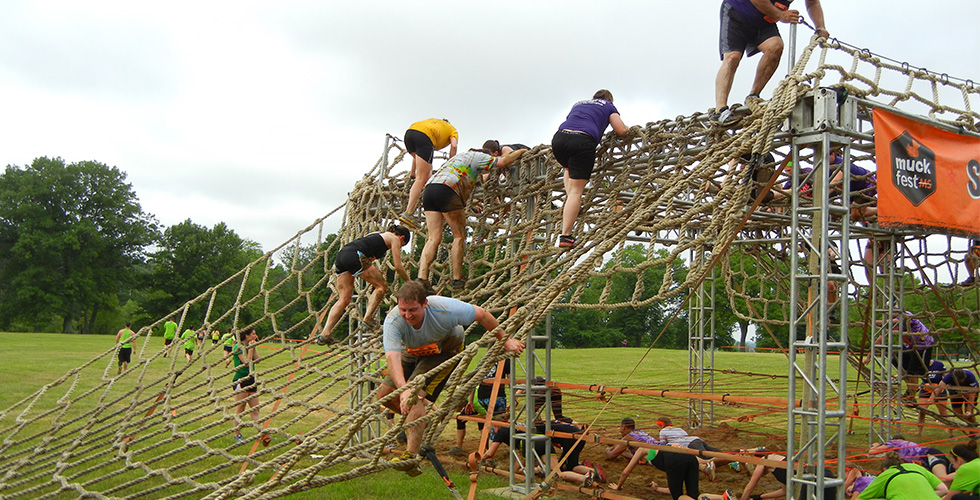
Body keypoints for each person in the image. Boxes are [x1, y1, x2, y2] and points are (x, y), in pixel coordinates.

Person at [376, 281, 524, 476]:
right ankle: (422, 420)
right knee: (384, 396)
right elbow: (392, 357)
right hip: (413, 350)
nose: (408, 315)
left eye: (413, 310)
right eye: (403, 309)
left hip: (445, 349)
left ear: (425, 304)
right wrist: (401, 390)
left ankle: (410, 457)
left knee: (414, 395)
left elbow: (482, 314)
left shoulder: (444, 309)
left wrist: (506, 340)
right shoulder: (394, 320)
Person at [417, 147, 526, 291]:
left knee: (433, 238)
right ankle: (457, 279)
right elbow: (504, 161)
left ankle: (421, 278)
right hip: (448, 189)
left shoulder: (459, 157)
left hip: (430, 189)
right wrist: (521, 151)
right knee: (459, 236)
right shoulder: (480, 157)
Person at [711, 0, 829, 126]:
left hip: (763, 22)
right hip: (737, 13)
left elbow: (813, 4)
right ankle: (720, 110)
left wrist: (820, 27)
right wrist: (781, 15)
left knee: (775, 47)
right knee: (732, 57)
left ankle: (753, 95)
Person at [552, 89, 629, 247]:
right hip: (582, 140)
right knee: (576, 192)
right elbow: (621, 130)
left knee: (568, 169)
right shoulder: (608, 106)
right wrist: (628, 129)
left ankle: (571, 204)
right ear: (609, 99)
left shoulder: (579, 103)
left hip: (559, 139)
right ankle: (566, 236)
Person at [313, 225, 412, 345]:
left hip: (342, 256)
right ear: (402, 237)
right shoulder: (394, 238)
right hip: (355, 256)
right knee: (381, 286)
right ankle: (368, 319)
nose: (399, 247)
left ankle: (325, 333)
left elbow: (367, 250)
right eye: (402, 245)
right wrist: (410, 282)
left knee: (344, 299)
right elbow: (398, 266)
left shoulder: (376, 234)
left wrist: (374, 272)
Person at [451, 358, 510, 457]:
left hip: (483, 399)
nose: (456, 411)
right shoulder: (460, 396)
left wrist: (471, 403)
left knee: (489, 424)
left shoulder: (489, 358)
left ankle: (487, 450)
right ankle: (460, 446)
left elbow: (485, 416)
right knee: (462, 419)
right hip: (487, 398)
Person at [402, 118, 458, 220]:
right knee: (421, 178)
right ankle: (408, 213)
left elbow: (418, 156)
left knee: (428, 175)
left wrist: (412, 172)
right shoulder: (452, 130)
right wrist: (450, 166)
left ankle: (434, 204)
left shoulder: (432, 122)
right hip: (425, 138)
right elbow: (453, 146)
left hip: (409, 134)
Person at [740, 452, 838, 499]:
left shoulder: (765, 461)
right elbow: (784, 491)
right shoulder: (783, 463)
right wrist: (761, 497)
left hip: (811, 479)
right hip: (825, 474)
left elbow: (750, 486)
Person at [231, 328, 269, 446]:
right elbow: (246, 362)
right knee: (240, 409)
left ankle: (262, 434)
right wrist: (251, 349)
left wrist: (254, 347)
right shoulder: (238, 346)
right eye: (253, 334)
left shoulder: (250, 345)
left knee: (255, 409)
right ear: (247, 335)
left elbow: (257, 360)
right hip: (241, 380)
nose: (255, 335)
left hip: (251, 379)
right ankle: (237, 434)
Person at [857, 451, 948, 499]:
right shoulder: (916, 467)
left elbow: (860, 499)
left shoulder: (885, 475)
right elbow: (943, 490)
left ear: (884, 469)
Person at [868, 434, 953, 482]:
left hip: (929, 455)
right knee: (944, 483)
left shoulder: (893, 443)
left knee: (943, 478)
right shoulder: (902, 456)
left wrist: (875, 446)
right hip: (927, 459)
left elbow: (871, 453)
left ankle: (963, 470)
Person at [918, 360, 950, 429]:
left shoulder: (939, 364)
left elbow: (947, 376)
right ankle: (919, 433)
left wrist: (943, 385)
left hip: (939, 390)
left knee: (943, 413)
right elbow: (911, 374)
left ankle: (951, 433)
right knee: (922, 411)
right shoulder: (919, 365)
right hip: (926, 390)